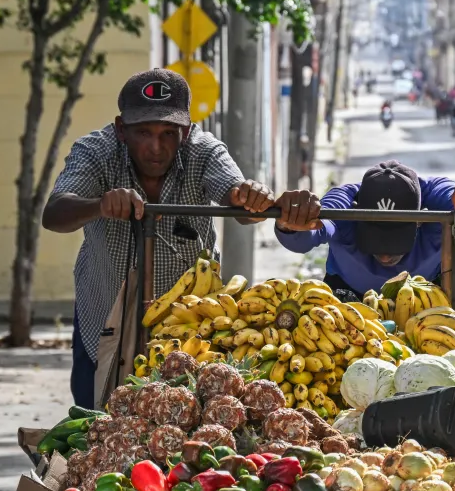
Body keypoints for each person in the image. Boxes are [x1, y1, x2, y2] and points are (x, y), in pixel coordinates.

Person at [44, 69, 279, 408]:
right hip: (105, 314)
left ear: (185, 132)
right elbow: (54, 213)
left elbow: (237, 200)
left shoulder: (204, 151)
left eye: (169, 133)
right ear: (121, 129)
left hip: (190, 330)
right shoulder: (95, 151)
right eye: (143, 132)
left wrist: (251, 196)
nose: (156, 147)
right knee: (94, 429)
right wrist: (100, 204)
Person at [273, 161, 455, 299]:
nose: (384, 255)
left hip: (426, 301)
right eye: (375, 241)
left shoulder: (435, 201)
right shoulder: (344, 204)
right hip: (348, 301)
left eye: (393, 242)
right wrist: (291, 221)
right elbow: (305, 237)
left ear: (419, 222)